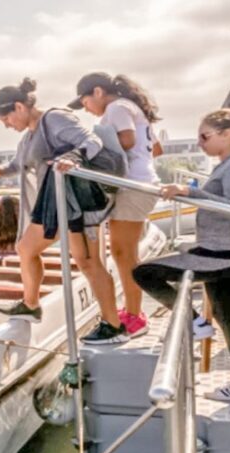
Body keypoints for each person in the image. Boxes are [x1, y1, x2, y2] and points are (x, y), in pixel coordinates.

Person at [0, 78, 130, 344]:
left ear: (20, 107)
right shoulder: (30, 136)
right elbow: (18, 163)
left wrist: (72, 158)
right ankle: (31, 304)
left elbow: (90, 141)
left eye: (7, 119)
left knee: (89, 263)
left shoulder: (55, 119)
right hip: (56, 201)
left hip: (77, 202)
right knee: (27, 248)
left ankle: (113, 326)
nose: (8, 126)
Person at [134, 106, 230, 403]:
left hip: (223, 253)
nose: (199, 142)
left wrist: (190, 192)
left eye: (204, 136)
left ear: (228, 134)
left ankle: (194, 324)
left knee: (143, 273)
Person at [68, 73, 163, 338]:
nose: (86, 108)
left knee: (123, 254)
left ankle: (135, 317)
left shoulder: (117, 107)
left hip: (133, 188)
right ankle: (133, 311)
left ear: (97, 92)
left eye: (85, 102)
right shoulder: (132, 109)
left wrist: (92, 152)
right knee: (125, 253)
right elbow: (157, 150)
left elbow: (127, 140)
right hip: (140, 185)